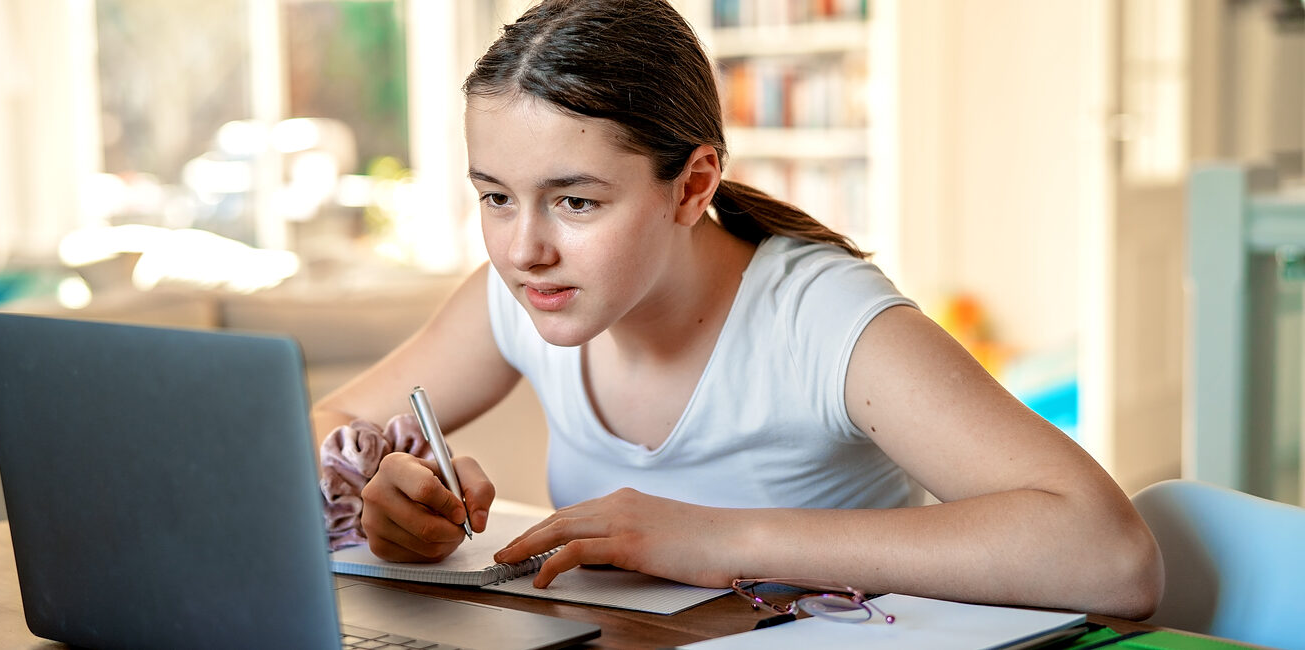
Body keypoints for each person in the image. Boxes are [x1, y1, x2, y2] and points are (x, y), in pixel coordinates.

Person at [311, 0, 1162, 620]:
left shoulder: (823, 320)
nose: (524, 248)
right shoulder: (519, 294)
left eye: (575, 203)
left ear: (693, 186)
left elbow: (1111, 556)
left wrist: (725, 539)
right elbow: (332, 416)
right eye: (496, 197)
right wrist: (386, 492)